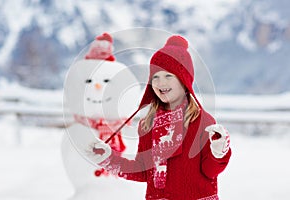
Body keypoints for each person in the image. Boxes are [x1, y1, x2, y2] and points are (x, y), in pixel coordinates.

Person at [86, 35, 231, 200]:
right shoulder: (148, 124)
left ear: (184, 79)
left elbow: (210, 171)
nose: (161, 83)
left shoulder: (202, 121)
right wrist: (109, 159)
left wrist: (218, 153)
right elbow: (142, 171)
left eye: (168, 75)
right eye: (155, 76)